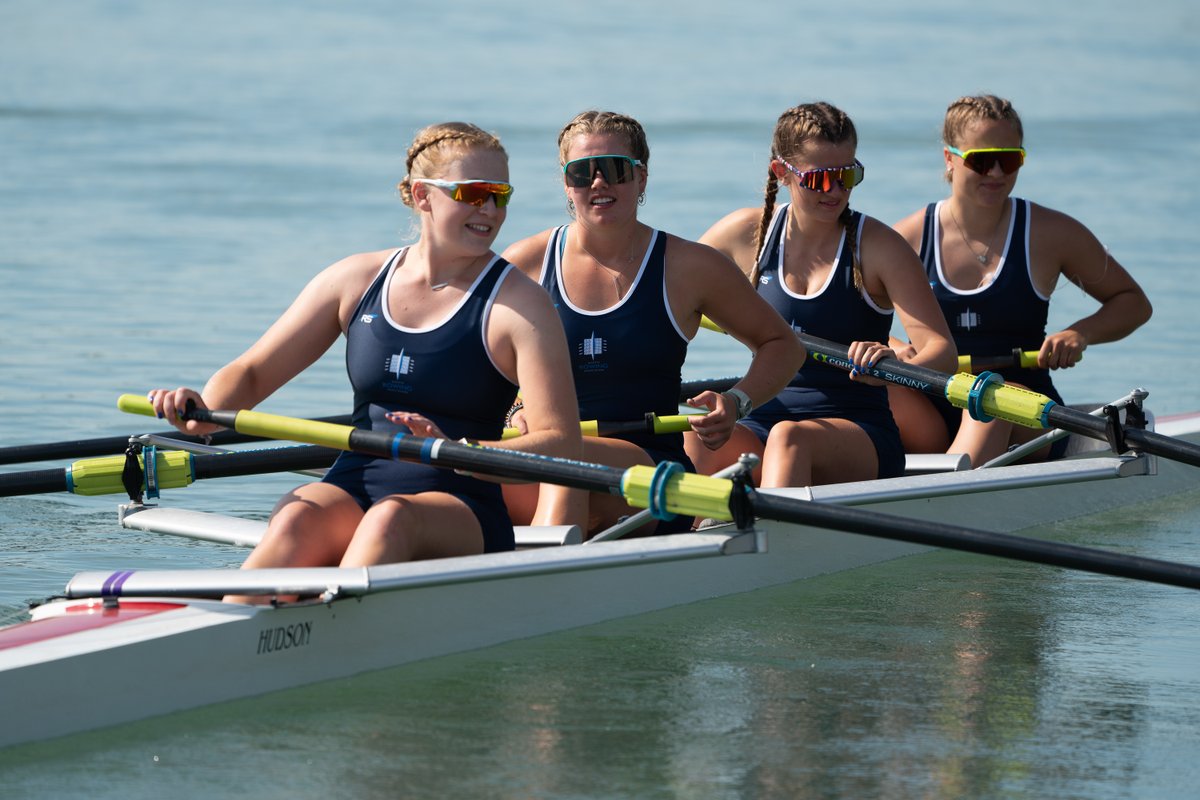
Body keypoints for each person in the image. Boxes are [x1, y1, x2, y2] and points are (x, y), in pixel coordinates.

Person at [147, 121, 581, 592]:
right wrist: (202, 412)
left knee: (390, 519)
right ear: (423, 196)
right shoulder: (355, 280)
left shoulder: (519, 305)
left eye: (501, 194)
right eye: (474, 193)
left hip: (460, 501)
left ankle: (318, 634)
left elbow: (561, 442)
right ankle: (228, 626)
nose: (491, 210)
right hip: (356, 482)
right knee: (296, 515)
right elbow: (252, 374)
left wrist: (458, 453)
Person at [501, 110, 803, 537]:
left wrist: (737, 402)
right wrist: (516, 411)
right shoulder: (523, 265)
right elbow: (477, 368)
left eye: (615, 170)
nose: (599, 183)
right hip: (540, 457)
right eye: (583, 172)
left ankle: (541, 579)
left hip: (651, 472)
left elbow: (782, 345)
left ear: (641, 179)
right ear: (567, 185)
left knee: (563, 455)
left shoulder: (689, 267)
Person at [686, 101, 956, 489]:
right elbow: (671, 294)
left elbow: (941, 352)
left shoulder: (879, 247)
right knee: (694, 437)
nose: (835, 190)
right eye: (819, 179)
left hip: (858, 429)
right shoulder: (745, 234)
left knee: (790, 438)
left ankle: (777, 541)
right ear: (782, 173)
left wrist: (893, 366)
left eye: (847, 175)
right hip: (761, 417)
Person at [889, 94, 1152, 466]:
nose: (997, 173)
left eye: (1009, 159)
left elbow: (1132, 302)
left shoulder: (1051, 233)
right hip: (932, 401)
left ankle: (938, 496)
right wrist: (895, 344)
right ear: (950, 158)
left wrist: (1080, 333)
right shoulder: (905, 239)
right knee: (869, 382)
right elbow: (848, 319)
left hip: (1023, 406)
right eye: (982, 161)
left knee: (991, 399)